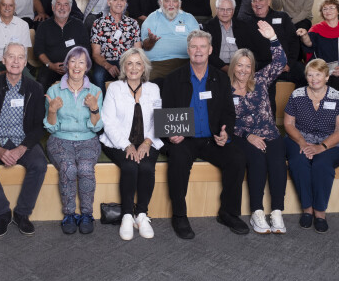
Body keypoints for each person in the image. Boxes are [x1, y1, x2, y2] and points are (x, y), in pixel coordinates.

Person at [162, 30, 248, 239]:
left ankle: (228, 213)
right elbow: (165, 111)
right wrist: (171, 134)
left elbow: (228, 112)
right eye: (194, 46)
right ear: (188, 50)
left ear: (210, 50)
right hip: (185, 139)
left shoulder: (221, 78)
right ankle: (179, 215)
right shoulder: (173, 78)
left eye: (202, 46)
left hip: (212, 139)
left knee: (237, 159)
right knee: (178, 159)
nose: (198, 50)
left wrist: (225, 133)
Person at [0, 43, 48, 238]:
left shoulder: (35, 88)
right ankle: (3, 213)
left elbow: (39, 126)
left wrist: (22, 148)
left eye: (20, 57)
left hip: (23, 140)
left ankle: (22, 213)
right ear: (3, 60)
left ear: (25, 62)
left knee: (39, 165)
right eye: (11, 57)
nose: (16, 61)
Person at [229, 21, 287, 234]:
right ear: (233, 66)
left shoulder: (261, 80)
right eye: (240, 65)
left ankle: (277, 212)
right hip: (242, 136)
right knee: (257, 161)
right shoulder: (224, 89)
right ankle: (257, 212)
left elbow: (280, 62)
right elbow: (223, 120)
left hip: (270, 133)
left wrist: (273, 38)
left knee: (278, 164)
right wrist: (248, 135)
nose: (243, 70)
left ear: (252, 68)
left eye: (248, 66)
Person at [100, 48, 162, 240]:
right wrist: (127, 145)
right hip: (117, 142)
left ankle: (142, 214)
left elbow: (157, 119)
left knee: (146, 167)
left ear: (144, 68)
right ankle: (127, 215)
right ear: (123, 67)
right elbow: (108, 122)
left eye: (138, 63)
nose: (133, 68)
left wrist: (147, 142)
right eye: (129, 63)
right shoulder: (114, 88)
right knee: (129, 165)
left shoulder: (154, 89)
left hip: (147, 140)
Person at [284, 58, 339, 233]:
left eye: (318, 75)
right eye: (310, 75)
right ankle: (307, 209)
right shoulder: (297, 95)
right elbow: (289, 124)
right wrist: (302, 142)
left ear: (327, 77)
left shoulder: (338, 97)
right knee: (298, 162)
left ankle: (320, 212)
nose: (314, 79)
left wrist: (321, 147)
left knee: (322, 164)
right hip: (299, 138)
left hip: (331, 142)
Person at [44, 46, 103, 235]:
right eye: (72, 61)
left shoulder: (95, 91)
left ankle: (86, 214)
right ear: (67, 64)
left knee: (85, 168)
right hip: (60, 140)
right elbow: (51, 128)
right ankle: (69, 214)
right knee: (68, 167)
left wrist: (94, 108)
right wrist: (52, 111)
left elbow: (96, 127)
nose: (77, 66)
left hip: (88, 140)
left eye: (81, 62)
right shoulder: (54, 90)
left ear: (87, 66)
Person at [247, 0, 305, 115]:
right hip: (264, 66)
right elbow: (246, 49)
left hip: (286, 64)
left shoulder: (283, 17)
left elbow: (294, 42)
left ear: (268, 2)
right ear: (251, 4)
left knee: (307, 75)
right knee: (266, 92)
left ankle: (299, 116)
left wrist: (289, 63)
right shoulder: (247, 22)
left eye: (261, 0)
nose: (257, 4)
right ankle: (270, 124)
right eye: (254, 1)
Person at [296, 0, 339, 93]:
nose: (328, 11)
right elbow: (309, 44)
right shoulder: (316, 28)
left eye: (331, 8)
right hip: (321, 70)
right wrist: (304, 35)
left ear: (338, 11)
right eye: (325, 9)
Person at [34, 0, 90, 91]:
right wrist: (50, 65)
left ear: (70, 8)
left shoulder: (79, 25)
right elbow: (38, 51)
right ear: (53, 7)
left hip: (76, 67)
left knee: (90, 84)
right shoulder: (43, 26)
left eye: (66, 4)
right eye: (59, 4)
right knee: (40, 84)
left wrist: (74, 66)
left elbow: (86, 49)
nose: (62, 8)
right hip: (51, 67)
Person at [140, 0, 199, 80]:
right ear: (161, 2)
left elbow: (199, 41)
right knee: (146, 83)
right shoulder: (152, 17)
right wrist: (151, 41)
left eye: (174, 1)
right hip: (158, 63)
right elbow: (145, 46)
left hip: (185, 62)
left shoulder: (189, 18)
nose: (171, 4)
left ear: (179, 3)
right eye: (167, 1)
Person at [90, 0, 141, 91]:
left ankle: (130, 101)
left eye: (122, 0)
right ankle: (102, 101)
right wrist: (107, 66)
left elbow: (138, 50)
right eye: (115, 0)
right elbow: (95, 54)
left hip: (127, 61)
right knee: (97, 76)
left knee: (137, 75)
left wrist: (131, 65)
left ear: (125, 3)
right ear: (109, 2)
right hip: (105, 61)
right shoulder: (98, 23)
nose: (119, 3)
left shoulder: (133, 23)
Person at [202, 0, 266, 74]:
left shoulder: (243, 26)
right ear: (216, 10)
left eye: (229, 9)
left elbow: (250, 49)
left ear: (233, 10)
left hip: (241, 66)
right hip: (218, 68)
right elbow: (208, 53)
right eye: (222, 9)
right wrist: (227, 69)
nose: (225, 13)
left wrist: (243, 66)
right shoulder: (207, 27)